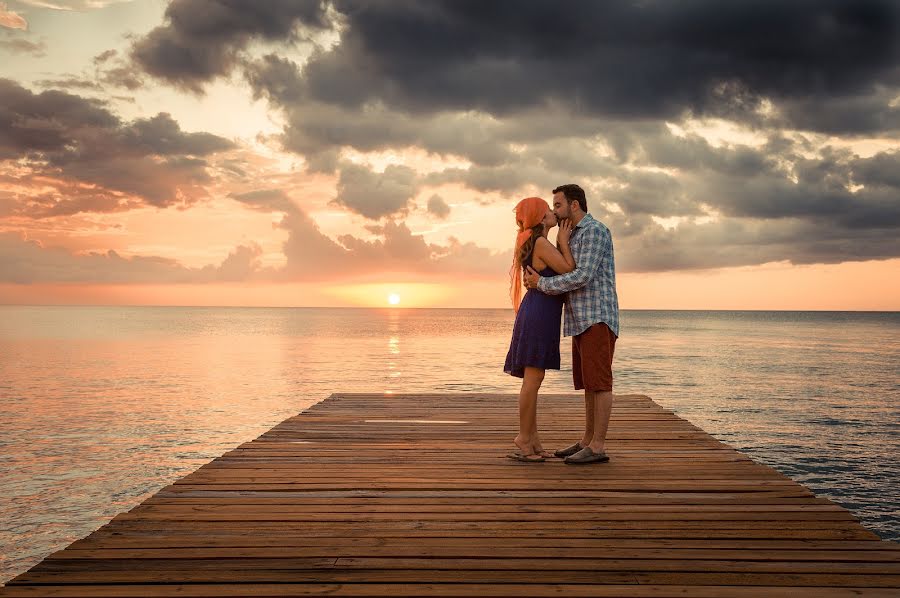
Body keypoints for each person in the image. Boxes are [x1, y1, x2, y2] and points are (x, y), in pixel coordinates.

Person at [524, 184, 619, 465]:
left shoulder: (593, 231)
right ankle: (587, 440)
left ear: (574, 205)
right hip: (580, 319)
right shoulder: (573, 233)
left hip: (597, 316)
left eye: (558, 205)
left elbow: (582, 275)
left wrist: (542, 283)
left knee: (600, 383)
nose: (554, 210)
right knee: (589, 383)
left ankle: (598, 446)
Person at [504, 196, 575, 462]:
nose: (552, 212)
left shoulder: (535, 242)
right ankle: (523, 437)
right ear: (540, 218)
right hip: (539, 314)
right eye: (548, 209)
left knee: (534, 380)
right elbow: (569, 269)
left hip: (537, 311)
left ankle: (533, 440)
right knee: (533, 381)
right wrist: (565, 243)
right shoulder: (542, 243)